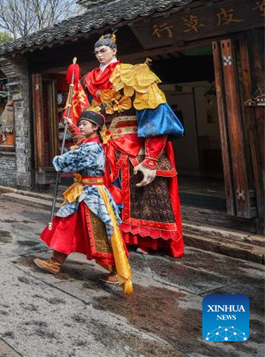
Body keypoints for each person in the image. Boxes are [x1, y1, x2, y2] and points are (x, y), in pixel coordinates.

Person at [63, 33, 185, 257]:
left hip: (132, 144)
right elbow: (85, 112)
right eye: (96, 52)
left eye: (103, 51)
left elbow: (154, 115)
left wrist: (151, 158)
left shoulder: (132, 73)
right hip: (103, 142)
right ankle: (110, 235)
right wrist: (76, 125)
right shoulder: (88, 79)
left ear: (114, 50)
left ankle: (143, 239)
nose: (100, 55)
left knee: (141, 192)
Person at [35, 110, 133, 296]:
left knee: (100, 232)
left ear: (95, 128)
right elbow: (80, 142)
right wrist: (70, 125)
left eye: (84, 124)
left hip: (92, 195)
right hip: (83, 192)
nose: (80, 127)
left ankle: (114, 270)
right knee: (68, 225)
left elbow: (70, 160)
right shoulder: (90, 143)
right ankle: (55, 262)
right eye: (79, 124)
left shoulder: (92, 148)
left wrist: (58, 160)